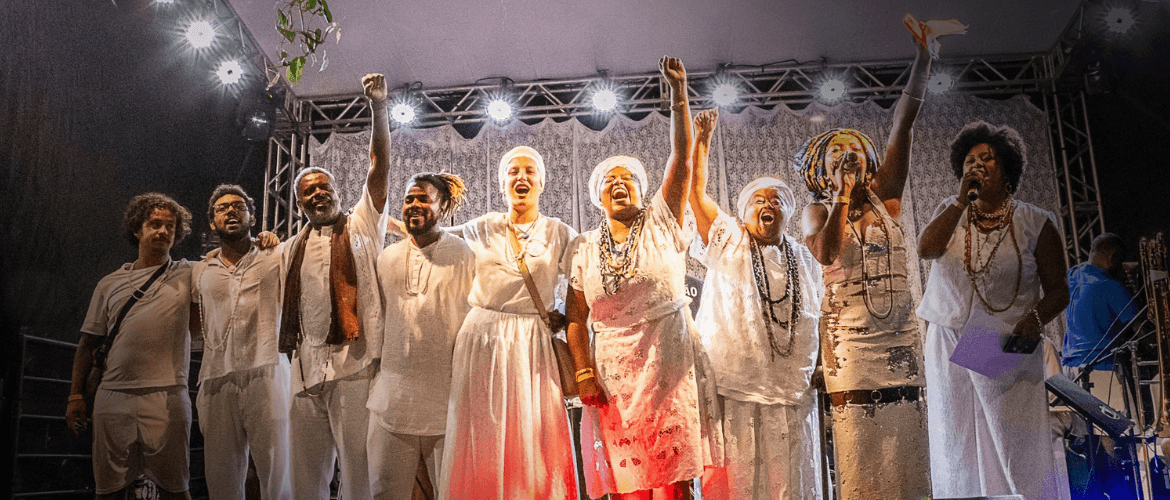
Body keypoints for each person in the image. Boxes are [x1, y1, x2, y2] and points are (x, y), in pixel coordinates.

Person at [566, 56, 723, 500]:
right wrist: (583, 373)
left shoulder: (662, 220)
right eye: (610, 181)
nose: (620, 184)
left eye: (629, 179)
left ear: (642, 188)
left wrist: (678, 95)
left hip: (669, 362)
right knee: (627, 482)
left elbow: (682, 161)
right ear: (598, 197)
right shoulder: (582, 248)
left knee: (673, 485)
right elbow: (575, 317)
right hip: (613, 375)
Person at [794, 33, 932, 499]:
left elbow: (904, 123)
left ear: (870, 160)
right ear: (822, 166)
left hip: (898, 332)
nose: (848, 153)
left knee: (906, 432)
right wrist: (840, 196)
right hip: (849, 338)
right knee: (861, 440)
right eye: (837, 151)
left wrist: (923, 59)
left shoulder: (887, 196)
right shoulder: (817, 209)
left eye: (855, 148)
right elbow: (826, 253)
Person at [917, 121, 1071, 500]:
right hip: (949, 340)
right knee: (958, 443)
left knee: (1016, 445)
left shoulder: (1036, 221)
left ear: (1007, 168)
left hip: (1005, 344)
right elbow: (926, 250)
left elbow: (1059, 291)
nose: (977, 164)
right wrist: (957, 202)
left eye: (987, 158)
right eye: (970, 159)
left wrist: (1033, 320)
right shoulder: (950, 211)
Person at [687, 109, 824, 500]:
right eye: (758, 201)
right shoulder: (729, 239)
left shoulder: (804, 257)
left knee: (791, 484)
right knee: (737, 483)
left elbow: (821, 315)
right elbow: (696, 195)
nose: (768, 205)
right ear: (744, 214)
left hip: (791, 390)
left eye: (777, 200)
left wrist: (820, 366)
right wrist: (703, 141)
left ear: (788, 213)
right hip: (737, 388)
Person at [438, 145, 579, 499]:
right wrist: (381, 222)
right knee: (482, 430)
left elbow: (587, 278)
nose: (522, 177)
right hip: (481, 339)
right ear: (502, 185)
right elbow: (432, 239)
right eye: (513, 172)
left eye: (530, 171)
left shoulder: (559, 233)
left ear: (542, 183)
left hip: (532, 343)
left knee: (533, 430)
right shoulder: (483, 227)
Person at [279, 73, 390, 500]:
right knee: (306, 481)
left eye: (324, 187)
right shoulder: (291, 249)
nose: (318, 194)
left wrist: (378, 108)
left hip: (354, 368)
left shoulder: (363, 222)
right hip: (305, 373)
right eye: (309, 192)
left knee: (360, 477)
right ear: (300, 203)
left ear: (339, 191)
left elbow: (379, 168)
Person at [65, 193, 196, 500]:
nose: (163, 231)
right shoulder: (109, 283)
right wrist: (75, 396)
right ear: (138, 229)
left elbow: (229, 259)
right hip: (113, 396)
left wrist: (264, 241)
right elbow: (87, 344)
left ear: (177, 235)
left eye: (170, 226)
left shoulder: (190, 273)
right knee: (108, 490)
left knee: (176, 490)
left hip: (168, 394)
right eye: (155, 223)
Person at [367, 173, 474, 499]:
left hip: (449, 408)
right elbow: (378, 323)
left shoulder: (466, 256)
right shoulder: (387, 257)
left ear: (444, 206)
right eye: (409, 199)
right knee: (385, 493)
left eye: (423, 199)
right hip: (391, 404)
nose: (413, 205)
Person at [191, 185, 290, 500]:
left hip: (268, 371)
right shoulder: (199, 270)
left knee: (277, 472)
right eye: (222, 208)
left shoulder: (276, 254)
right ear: (211, 222)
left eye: (237, 206)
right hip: (215, 377)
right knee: (221, 478)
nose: (230, 211)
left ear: (252, 216)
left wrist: (272, 240)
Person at [1062, 232, 1140, 402]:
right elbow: (1139, 328)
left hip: (1070, 370)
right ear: (1112, 256)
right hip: (1101, 369)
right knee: (1119, 427)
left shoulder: (1071, 275)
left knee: (1084, 428)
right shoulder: (1111, 287)